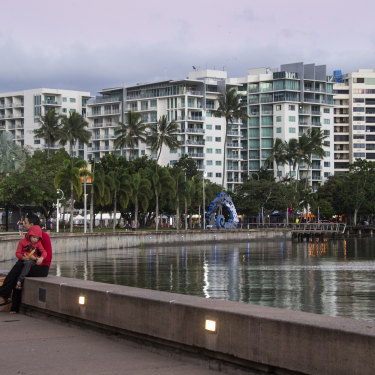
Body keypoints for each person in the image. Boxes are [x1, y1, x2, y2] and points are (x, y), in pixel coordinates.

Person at [0, 214, 52, 313]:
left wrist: (35, 258)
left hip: (41, 267)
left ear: (32, 224)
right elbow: (21, 252)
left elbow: (48, 257)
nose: (23, 224)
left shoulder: (43, 236)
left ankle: (4, 294)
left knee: (19, 267)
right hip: (30, 264)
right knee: (18, 270)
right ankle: (13, 306)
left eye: (25, 222)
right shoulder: (27, 238)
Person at [15, 224, 47, 291]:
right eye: (34, 237)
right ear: (30, 235)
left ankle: (20, 281)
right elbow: (17, 253)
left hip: (32, 261)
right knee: (19, 265)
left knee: (28, 263)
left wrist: (41, 258)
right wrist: (23, 258)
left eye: (37, 238)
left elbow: (44, 252)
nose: (35, 239)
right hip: (23, 259)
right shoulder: (22, 242)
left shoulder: (38, 243)